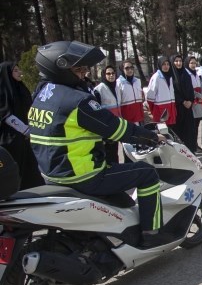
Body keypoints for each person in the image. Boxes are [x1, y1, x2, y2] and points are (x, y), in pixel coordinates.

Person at [28, 41, 167, 246]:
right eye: (79, 69)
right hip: (84, 176)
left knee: (123, 196)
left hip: (52, 175)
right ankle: (152, 233)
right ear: (61, 68)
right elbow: (116, 128)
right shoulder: (77, 101)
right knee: (147, 173)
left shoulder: (41, 94)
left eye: (85, 68)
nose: (84, 73)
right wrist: (151, 136)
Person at [0, 61, 45, 189]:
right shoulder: (3, 92)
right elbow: (7, 115)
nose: (20, 73)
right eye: (16, 70)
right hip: (11, 139)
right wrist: (26, 131)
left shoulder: (20, 88)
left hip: (26, 137)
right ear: (7, 73)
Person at [115, 59, 146, 162]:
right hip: (127, 120)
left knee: (140, 144)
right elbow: (118, 103)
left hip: (139, 117)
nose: (129, 70)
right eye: (126, 68)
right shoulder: (118, 83)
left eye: (131, 67)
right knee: (129, 147)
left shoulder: (137, 81)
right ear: (122, 69)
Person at [93, 65, 122, 164]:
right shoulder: (99, 89)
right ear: (104, 75)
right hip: (106, 127)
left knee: (115, 152)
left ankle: (116, 171)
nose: (111, 75)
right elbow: (96, 112)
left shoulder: (117, 87)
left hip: (116, 125)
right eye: (108, 73)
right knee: (108, 153)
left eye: (113, 73)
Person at [170, 54, 196, 153]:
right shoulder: (171, 76)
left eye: (180, 61)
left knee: (189, 131)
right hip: (178, 107)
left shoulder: (186, 74)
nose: (178, 63)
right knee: (178, 132)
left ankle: (190, 152)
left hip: (188, 107)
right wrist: (182, 101)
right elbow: (173, 91)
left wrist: (190, 100)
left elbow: (190, 89)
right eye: (176, 61)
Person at [146, 56, 176, 125]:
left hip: (171, 108)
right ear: (160, 65)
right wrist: (153, 109)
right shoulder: (156, 77)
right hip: (160, 110)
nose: (166, 66)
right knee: (162, 132)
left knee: (170, 132)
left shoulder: (170, 77)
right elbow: (150, 96)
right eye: (164, 64)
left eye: (168, 64)